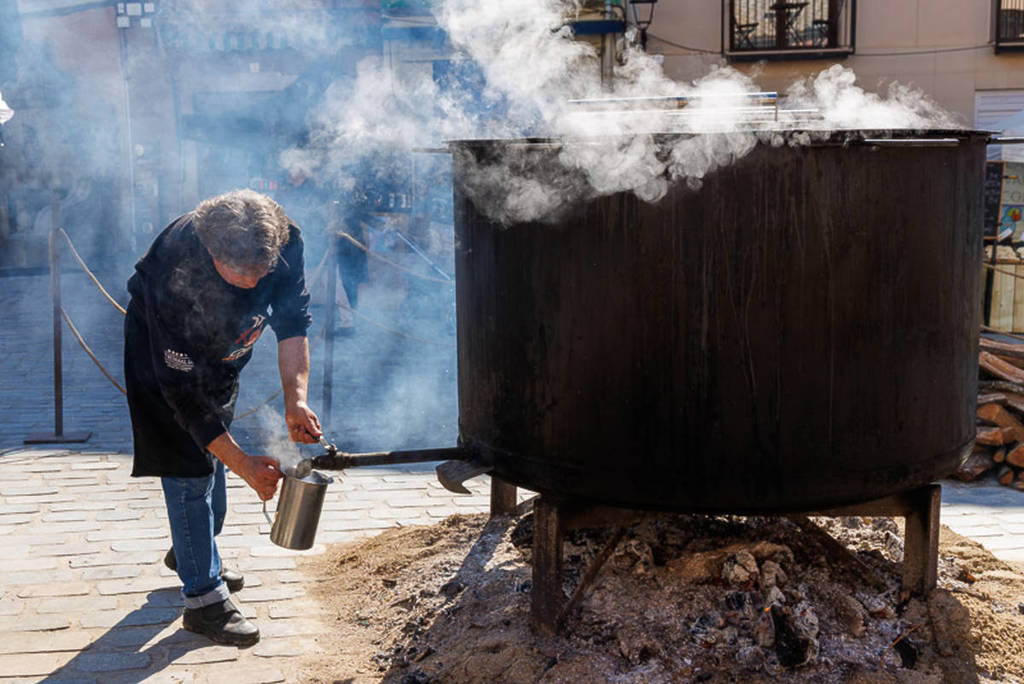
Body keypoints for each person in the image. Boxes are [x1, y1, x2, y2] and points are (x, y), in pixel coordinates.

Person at [123, 189, 322, 647]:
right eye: (239, 275)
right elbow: (185, 398)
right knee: (189, 464)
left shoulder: (286, 238)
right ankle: (203, 601)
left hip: (224, 351)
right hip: (163, 358)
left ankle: (194, 549)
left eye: (262, 273)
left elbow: (294, 322)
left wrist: (296, 399)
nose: (253, 285)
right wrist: (245, 465)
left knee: (214, 452)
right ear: (211, 251)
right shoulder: (176, 264)